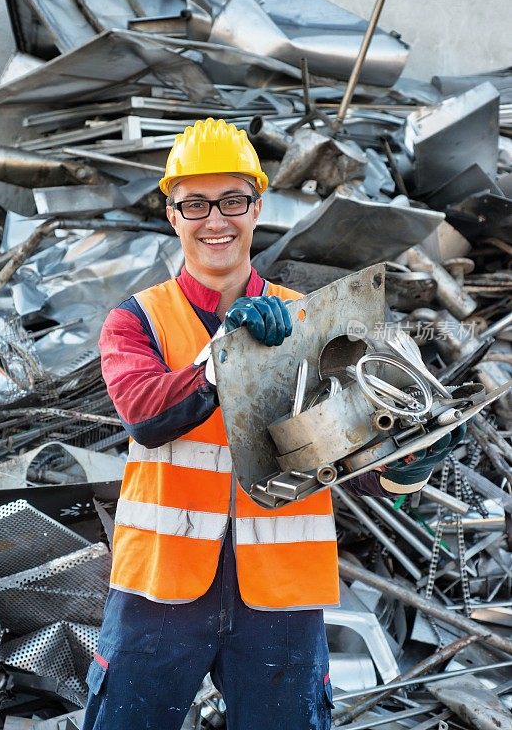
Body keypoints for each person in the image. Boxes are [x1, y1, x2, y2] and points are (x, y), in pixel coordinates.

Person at [83, 118, 461, 730]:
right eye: (196, 203)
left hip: (279, 593)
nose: (216, 220)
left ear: (257, 206)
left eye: (233, 200)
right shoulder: (137, 322)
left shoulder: (308, 324)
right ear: (171, 213)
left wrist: (411, 465)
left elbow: (354, 458)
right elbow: (147, 414)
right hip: (161, 589)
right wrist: (221, 358)